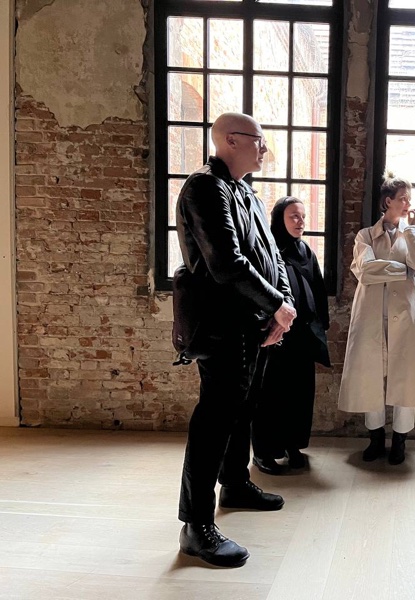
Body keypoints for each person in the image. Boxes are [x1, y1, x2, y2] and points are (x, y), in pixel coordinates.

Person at [174, 112, 297, 568]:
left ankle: (236, 484)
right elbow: (226, 263)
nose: (265, 148)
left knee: (243, 408)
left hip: (255, 321)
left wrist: (282, 305)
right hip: (222, 324)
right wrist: (276, 305)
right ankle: (196, 526)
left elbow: (272, 255)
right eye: (258, 140)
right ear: (230, 140)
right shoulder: (205, 188)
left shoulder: (246, 191)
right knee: (214, 419)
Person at [338, 171, 415, 465]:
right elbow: (366, 272)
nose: (407, 203)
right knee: (370, 376)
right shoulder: (365, 236)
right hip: (372, 315)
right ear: (388, 201)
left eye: (409, 198)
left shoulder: (414, 234)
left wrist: (413, 231)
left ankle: (400, 441)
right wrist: (406, 272)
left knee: (406, 377)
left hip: (406, 315)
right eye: (402, 198)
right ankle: (376, 438)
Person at [251, 196, 331, 475]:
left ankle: (292, 445)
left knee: (300, 393)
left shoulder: (305, 250)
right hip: (277, 335)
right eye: (294, 216)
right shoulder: (268, 250)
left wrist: (321, 324)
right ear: (279, 219)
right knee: (271, 394)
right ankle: (264, 452)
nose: (300, 222)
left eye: (303, 217)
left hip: (303, 334)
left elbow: (317, 288)